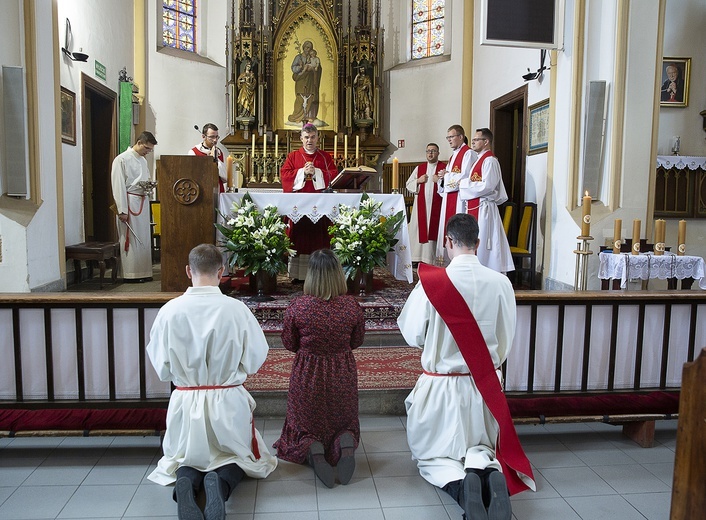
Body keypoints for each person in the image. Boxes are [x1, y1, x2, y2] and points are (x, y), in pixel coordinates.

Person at [398, 214, 535, 520]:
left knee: (432, 456)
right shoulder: (501, 283)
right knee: (481, 445)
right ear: (478, 243)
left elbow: (412, 334)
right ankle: (488, 471)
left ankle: (461, 487)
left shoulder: (431, 284)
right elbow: (505, 337)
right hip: (483, 392)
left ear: (447, 242)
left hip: (440, 391)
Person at [146, 244, 277, 520]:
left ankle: (185, 484)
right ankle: (219, 483)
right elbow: (255, 359)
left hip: (186, 401)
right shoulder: (237, 310)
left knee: (187, 457)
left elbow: (162, 368)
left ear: (187, 271)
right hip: (228, 401)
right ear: (222, 271)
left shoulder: (169, 311)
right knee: (237, 457)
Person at [274, 249, 365, 488]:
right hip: (341, 372)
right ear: (338, 274)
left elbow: (288, 343)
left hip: (308, 373)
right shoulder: (351, 306)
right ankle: (344, 439)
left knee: (305, 420)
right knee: (342, 417)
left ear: (310, 274)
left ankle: (312, 447)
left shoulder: (299, 306)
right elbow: (357, 341)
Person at [280, 123, 338, 280]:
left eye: (312, 137)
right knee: (300, 238)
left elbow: (334, 175)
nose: (309, 140)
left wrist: (317, 172)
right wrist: (301, 172)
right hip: (299, 206)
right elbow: (284, 175)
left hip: (320, 207)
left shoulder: (325, 157)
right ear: (301, 138)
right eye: (306, 137)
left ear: (317, 138)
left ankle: (321, 273)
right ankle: (298, 276)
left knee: (319, 238)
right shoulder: (293, 156)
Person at [459, 128, 514, 273]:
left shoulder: (490, 161)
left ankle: (488, 271)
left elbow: (488, 186)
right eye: (473, 140)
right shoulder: (479, 161)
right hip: (476, 206)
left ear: (486, 142)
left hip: (484, 209)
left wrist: (463, 184)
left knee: (485, 241)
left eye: (476, 140)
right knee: (477, 240)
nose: (473, 142)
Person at [111, 131, 157, 282]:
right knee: (131, 239)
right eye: (146, 148)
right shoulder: (121, 159)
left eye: (150, 150)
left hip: (142, 201)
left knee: (143, 238)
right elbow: (118, 186)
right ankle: (130, 275)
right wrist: (122, 210)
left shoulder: (142, 160)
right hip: (129, 201)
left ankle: (143, 272)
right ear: (138, 143)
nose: (147, 152)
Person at [434, 125, 478, 264]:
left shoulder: (468, 153)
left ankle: (457, 261)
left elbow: (465, 177)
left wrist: (447, 176)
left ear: (460, 137)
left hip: (460, 199)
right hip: (449, 199)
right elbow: (449, 178)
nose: (449, 140)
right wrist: (442, 178)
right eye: (448, 137)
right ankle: (446, 263)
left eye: (451, 137)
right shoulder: (453, 156)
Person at [405, 143, 445, 265]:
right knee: (419, 229)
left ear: (438, 153)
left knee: (434, 229)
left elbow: (449, 185)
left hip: (437, 207)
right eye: (428, 151)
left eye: (433, 151)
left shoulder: (444, 168)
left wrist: (439, 181)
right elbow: (408, 185)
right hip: (420, 208)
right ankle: (417, 257)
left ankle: (432, 258)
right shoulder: (419, 168)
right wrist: (418, 180)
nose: (430, 153)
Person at [288, 40, 322, 125]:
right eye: (307, 47)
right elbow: (293, 68)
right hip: (301, 79)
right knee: (300, 97)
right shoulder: (298, 57)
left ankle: (308, 116)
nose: (308, 49)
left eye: (310, 48)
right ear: (303, 48)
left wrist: (313, 69)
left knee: (310, 96)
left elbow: (318, 68)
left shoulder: (312, 58)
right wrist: (300, 67)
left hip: (310, 80)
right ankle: (297, 116)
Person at [188, 123, 226, 194]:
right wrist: (208, 160)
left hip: (217, 190)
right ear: (203, 136)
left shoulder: (219, 152)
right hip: (201, 191)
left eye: (217, 137)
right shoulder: (194, 152)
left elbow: (224, 177)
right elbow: (192, 174)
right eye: (211, 137)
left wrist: (216, 159)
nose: (215, 140)